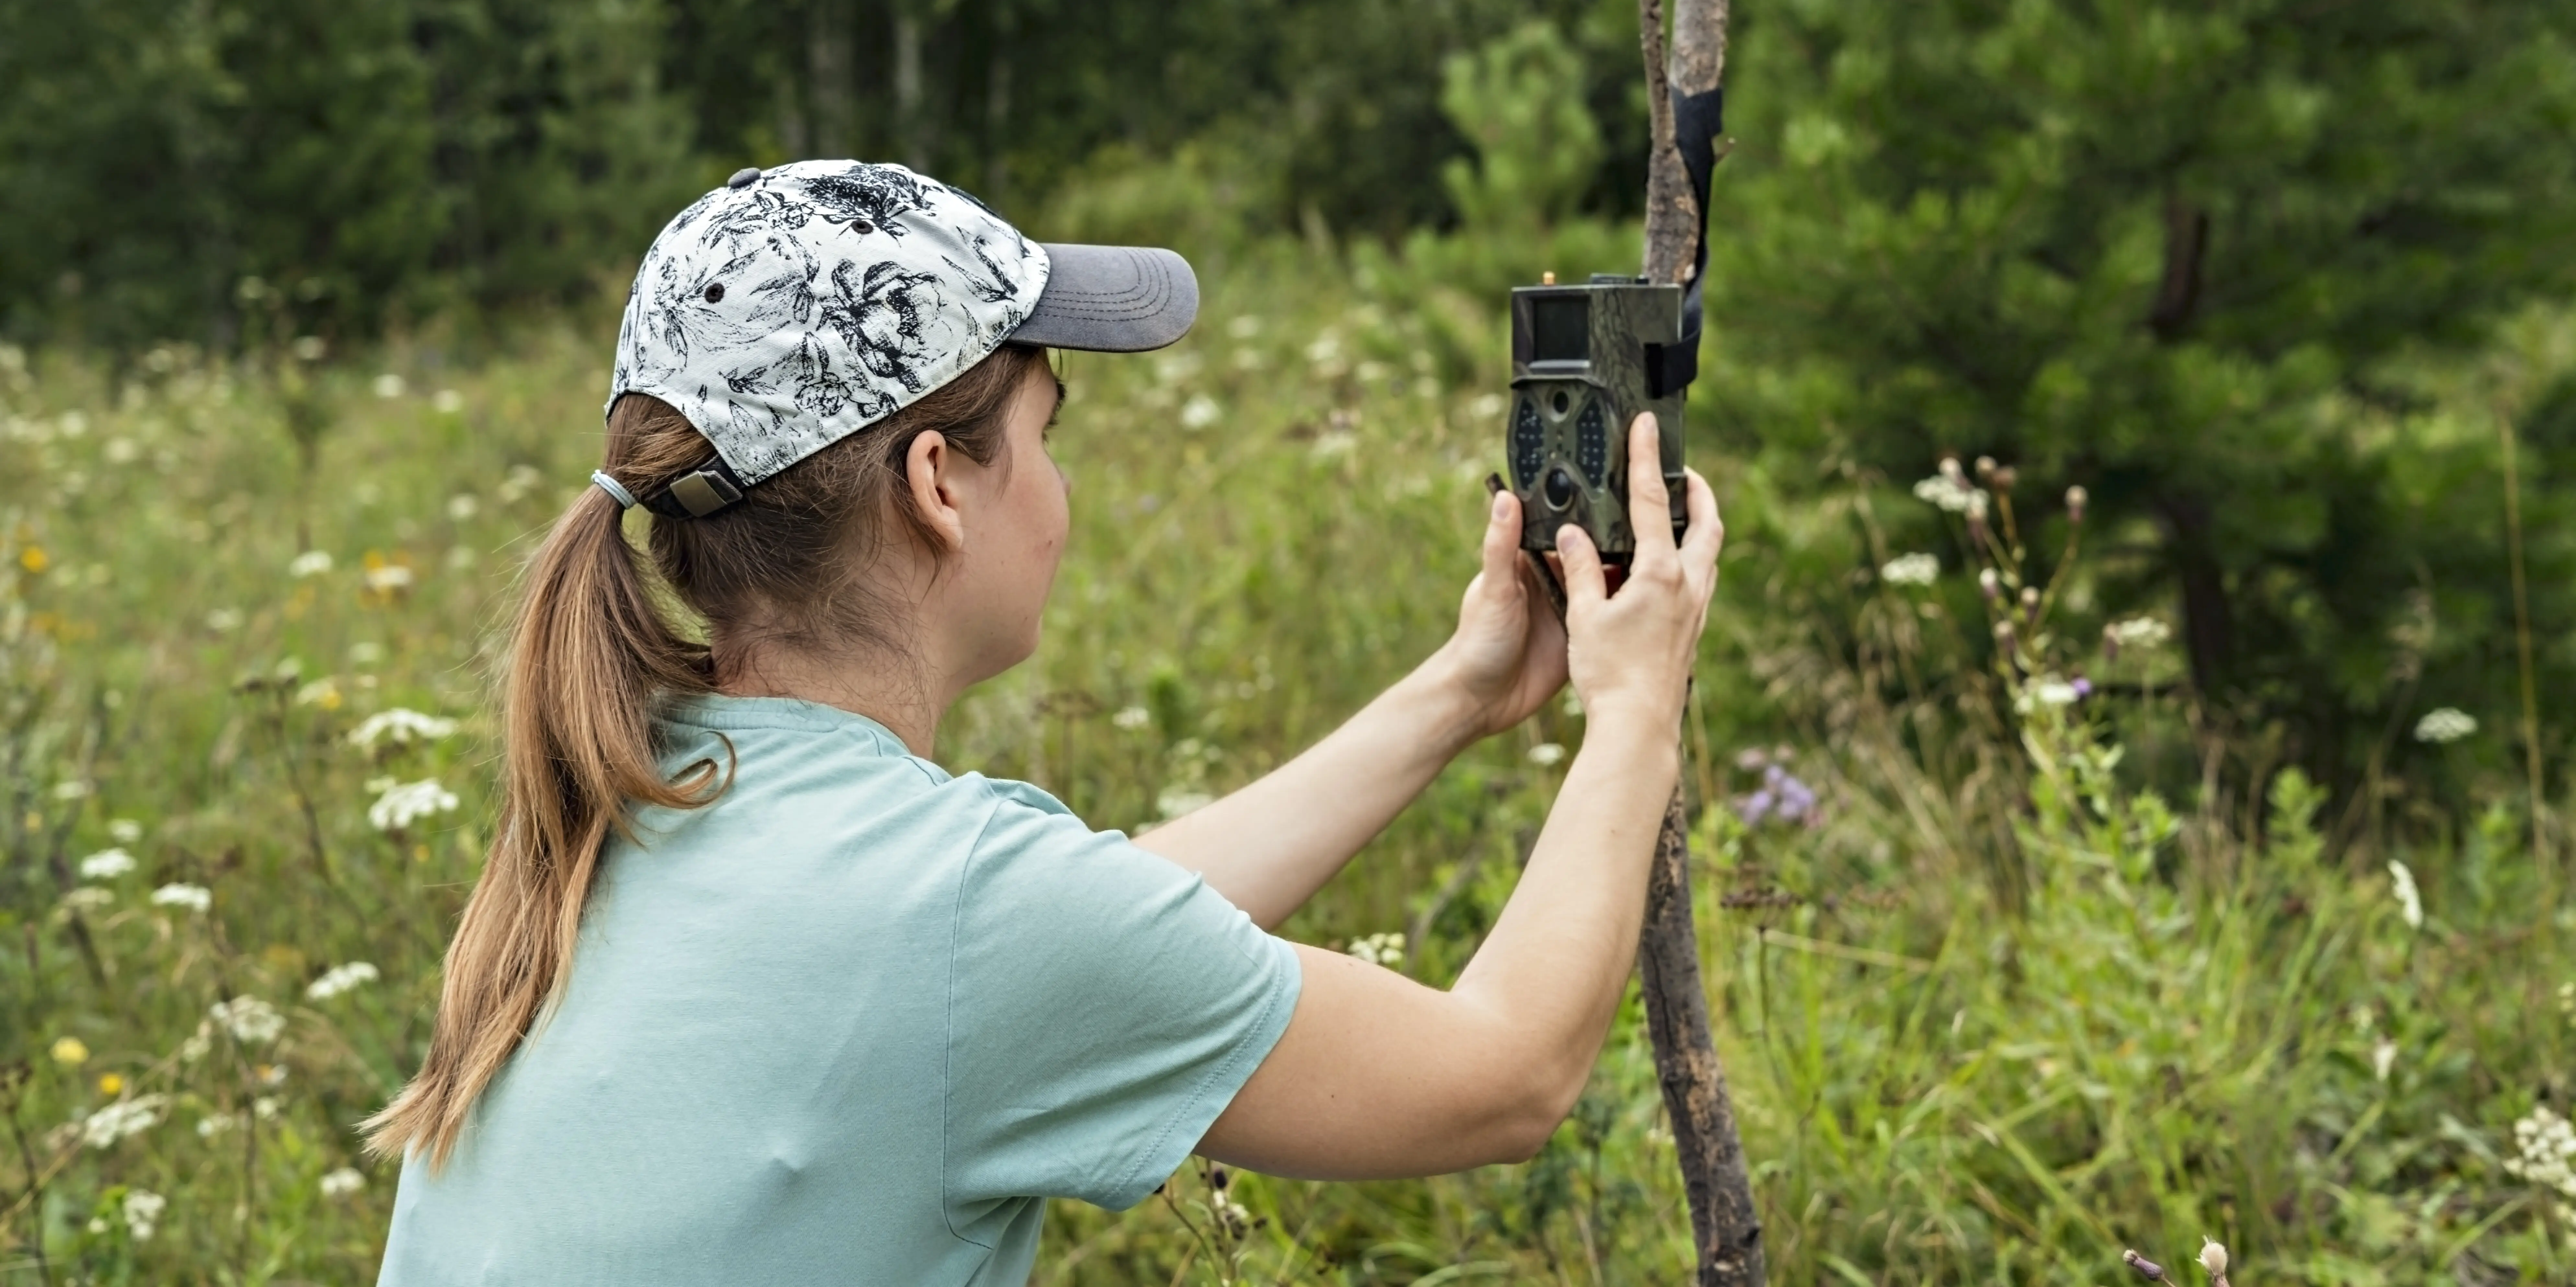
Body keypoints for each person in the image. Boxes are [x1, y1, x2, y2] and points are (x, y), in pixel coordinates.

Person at [370, 160, 1723, 1285]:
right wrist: (1634, 711)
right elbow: (1505, 1076)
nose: (1062, 491)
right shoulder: (966, 910)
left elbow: (1069, 934)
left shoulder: (627, 802)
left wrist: (1458, 694)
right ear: (937, 486)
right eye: (1046, 434)